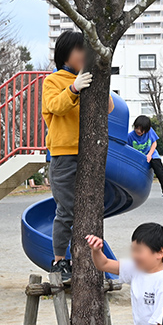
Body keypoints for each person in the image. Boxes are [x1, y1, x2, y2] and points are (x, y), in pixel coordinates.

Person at [42, 30, 113, 281]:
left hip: (87, 154)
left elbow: (109, 108)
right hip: (63, 155)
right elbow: (56, 107)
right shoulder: (53, 81)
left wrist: (100, 86)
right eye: (79, 50)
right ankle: (59, 261)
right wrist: (73, 88)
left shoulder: (87, 78)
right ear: (65, 54)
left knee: (89, 207)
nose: (84, 54)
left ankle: (87, 258)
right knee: (67, 210)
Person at [128, 115, 163, 206]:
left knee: (161, 173)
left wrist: (149, 154)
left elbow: (154, 143)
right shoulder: (130, 136)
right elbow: (128, 150)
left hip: (151, 154)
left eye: (141, 130)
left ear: (147, 129)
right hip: (139, 158)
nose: (138, 131)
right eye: (137, 128)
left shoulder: (150, 132)